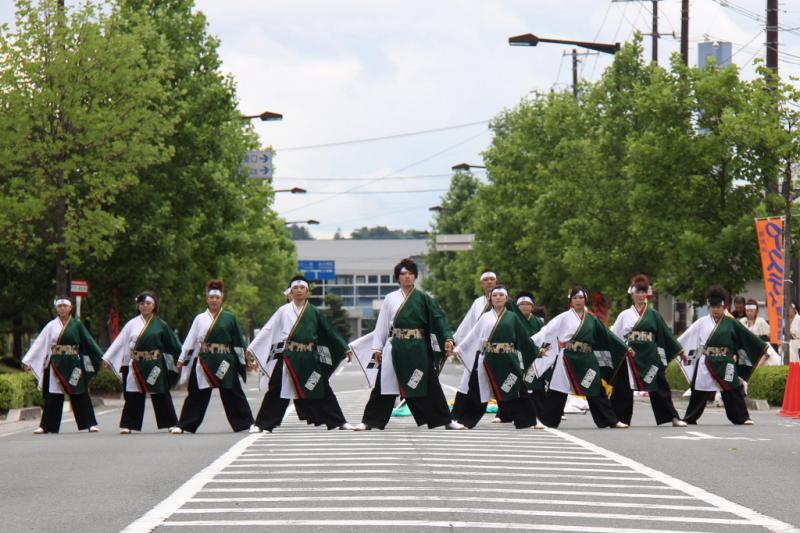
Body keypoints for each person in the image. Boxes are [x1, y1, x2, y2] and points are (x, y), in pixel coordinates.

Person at [351, 258, 464, 430]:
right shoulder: (390, 298)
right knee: (383, 384)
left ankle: (446, 420)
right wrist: (377, 347)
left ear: (415, 277)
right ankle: (369, 421)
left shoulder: (424, 298)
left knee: (431, 384)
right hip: (395, 347)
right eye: (403, 274)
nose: (407, 277)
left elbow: (439, 319)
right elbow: (381, 324)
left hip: (418, 347)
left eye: (411, 274)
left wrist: (448, 338)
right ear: (398, 277)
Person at [248, 275, 352, 432]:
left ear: (307, 292)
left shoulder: (314, 312)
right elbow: (268, 329)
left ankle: (339, 421)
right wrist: (251, 348)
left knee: (321, 387)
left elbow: (329, 331)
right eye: (295, 288)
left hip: (309, 357)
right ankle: (262, 424)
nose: (298, 291)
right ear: (291, 291)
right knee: (276, 390)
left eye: (302, 288)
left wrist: (345, 347)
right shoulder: (283, 311)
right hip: (289, 356)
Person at [533, 286, 629, 429]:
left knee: (595, 388)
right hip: (567, 357)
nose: (578, 300)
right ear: (571, 301)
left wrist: (625, 348)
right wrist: (530, 343)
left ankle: (611, 420)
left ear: (586, 300)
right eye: (575, 298)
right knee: (558, 390)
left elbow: (608, 336)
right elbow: (546, 331)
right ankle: (547, 421)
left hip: (587, 358)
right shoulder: (564, 317)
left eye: (581, 298)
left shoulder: (592, 319)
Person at [678, 285, 775, 425]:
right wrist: (678, 350)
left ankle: (742, 417)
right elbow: (687, 338)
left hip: (725, 361)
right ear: (708, 307)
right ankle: (690, 417)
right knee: (699, 390)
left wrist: (762, 347)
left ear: (724, 306)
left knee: (734, 389)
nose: (716, 310)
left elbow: (746, 337)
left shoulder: (731, 322)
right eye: (713, 307)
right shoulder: (701, 323)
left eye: (718, 307)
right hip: (706, 361)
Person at [171, 280, 254, 434]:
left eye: (217, 297)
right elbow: (190, 340)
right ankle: (185, 424)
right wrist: (182, 359)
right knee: (196, 393)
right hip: (204, 361)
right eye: (211, 297)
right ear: (207, 299)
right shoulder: (199, 318)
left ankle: (246, 422)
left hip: (225, 361)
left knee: (233, 393)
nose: (214, 300)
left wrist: (245, 360)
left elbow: (238, 342)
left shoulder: (229, 318)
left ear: (222, 298)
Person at [452, 286, 541, 429]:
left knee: (516, 387)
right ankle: (465, 420)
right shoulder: (485, 317)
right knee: (476, 390)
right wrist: (459, 349)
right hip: (487, 359)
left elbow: (524, 339)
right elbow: (472, 336)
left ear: (506, 299)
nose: (498, 297)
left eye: (501, 295)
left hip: (508, 359)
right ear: (490, 298)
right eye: (495, 295)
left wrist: (537, 351)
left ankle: (528, 420)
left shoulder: (513, 317)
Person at [609, 274, 686, 427]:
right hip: (630, 355)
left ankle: (672, 417)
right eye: (638, 292)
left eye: (644, 292)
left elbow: (666, 334)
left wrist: (680, 351)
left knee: (660, 386)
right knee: (623, 387)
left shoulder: (654, 315)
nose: (641, 295)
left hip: (650, 356)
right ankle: (619, 419)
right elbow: (613, 336)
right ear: (632, 293)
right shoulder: (624, 315)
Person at [22, 296, 103, 434]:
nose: (62, 308)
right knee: (53, 395)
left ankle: (90, 423)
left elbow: (89, 341)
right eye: (59, 306)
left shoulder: (77, 325)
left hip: (73, 364)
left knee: (80, 393)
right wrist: (28, 360)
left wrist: (102, 357)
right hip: (56, 364)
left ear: (70, 308)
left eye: (65, 306)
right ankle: (46, 426)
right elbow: (40, 343)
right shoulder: (51, 326)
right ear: (56, 309)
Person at [103, 291, 181, 434]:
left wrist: (181, 359)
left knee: (161, 393)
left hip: (155, 364)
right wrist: (107, 358)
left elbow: (173, 345)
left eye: (148, 303)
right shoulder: (131, 324)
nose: (145, 306)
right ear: (138, 306)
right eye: (142, 303)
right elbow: (120, 342)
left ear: (154, 306)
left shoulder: (161, 324)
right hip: (136, 365)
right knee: (133, 395)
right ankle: (128, 424)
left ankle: (171, 423)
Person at [451, 269, 496, 426]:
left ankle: (523, 416)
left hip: (501, 351)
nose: (489, 282)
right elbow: (467, 326)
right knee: (467, 383)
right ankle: (457, 414)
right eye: (486, 279)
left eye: (492, 279)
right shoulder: (478, 303)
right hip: (480, 350)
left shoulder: (504, 302)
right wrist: (456, 342)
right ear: (481, 283)